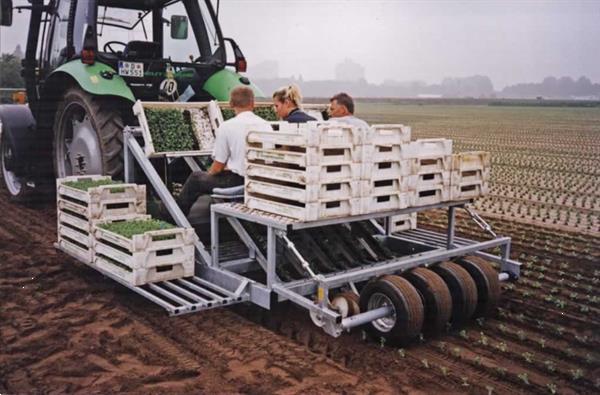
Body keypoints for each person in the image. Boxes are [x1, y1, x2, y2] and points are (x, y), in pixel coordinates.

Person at [176, 86, 271, 215]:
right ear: (252, 103)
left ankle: (174, 217)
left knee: (196, 178)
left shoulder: (227, 126)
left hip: (238, 182)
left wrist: (210, 173)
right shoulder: (266, 125)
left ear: (231, 104)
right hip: (261, 180)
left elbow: (217, 167)